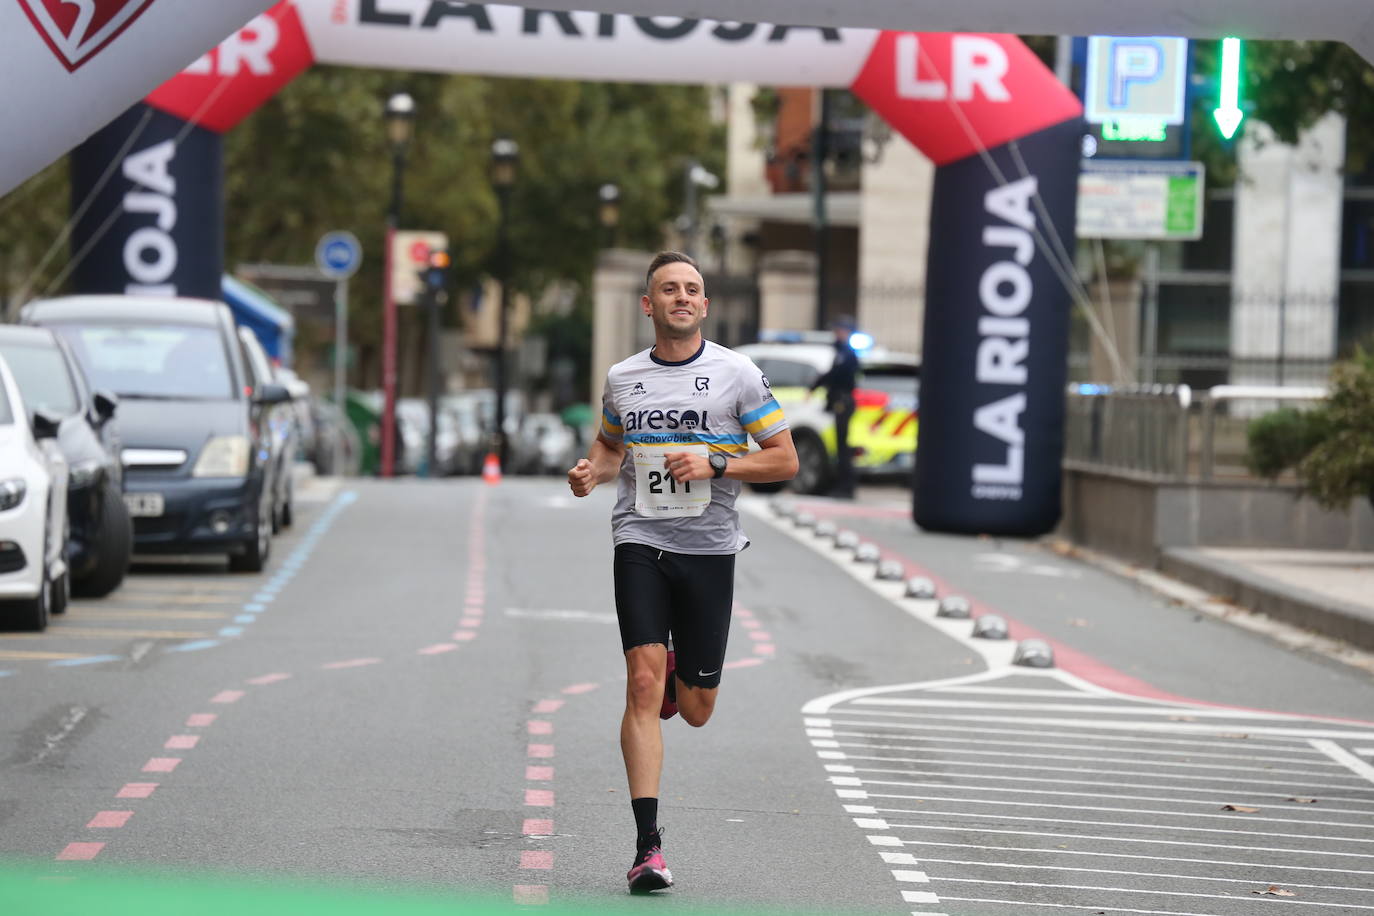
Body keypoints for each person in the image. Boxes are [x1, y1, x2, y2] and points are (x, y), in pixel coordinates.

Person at [567, 251, 798, 894]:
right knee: (640, 684)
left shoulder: (737, 375)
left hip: (709, 549)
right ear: (648, 305)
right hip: (639, 540)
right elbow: (612, 445)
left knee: (696, 710)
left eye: (692, 289)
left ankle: (679, 674)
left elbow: (783, 460)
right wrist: (592, 471)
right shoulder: (622, 378)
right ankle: (648, 847)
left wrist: (719, 466)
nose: (681, 297)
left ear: (704, 305)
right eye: (669, 289)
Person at [809, 316, 860, 499]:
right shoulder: (842, 352)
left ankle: (846, 487)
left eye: (839, 330)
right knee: (840, 446)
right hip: (840, 402)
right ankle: (843, 485)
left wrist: (815, 386)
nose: (836, 334)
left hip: (843, 402)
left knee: (842, 447)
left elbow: (834, 375)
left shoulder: (846, 353)